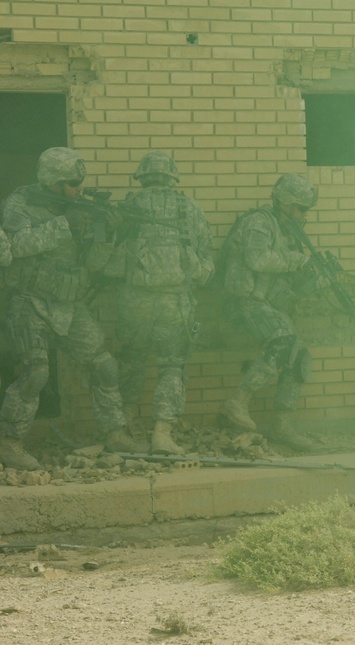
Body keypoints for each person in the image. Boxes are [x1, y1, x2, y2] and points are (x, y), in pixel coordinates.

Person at [0, 147, 136, 470]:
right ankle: (8, 443)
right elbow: (15, 246)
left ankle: (114, 432)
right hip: (29, 302)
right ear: (54, 182)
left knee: (105, 365)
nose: (80, 188)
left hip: (69, 305)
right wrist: (64, 225)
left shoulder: (79, 210)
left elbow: (92, 264)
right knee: (35, 374)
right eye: (74, 183)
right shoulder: (21, 203)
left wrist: (108, 235)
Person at [112, 151, 214, 455]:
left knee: (131, 361)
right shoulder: (190, 208)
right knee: (172, 365)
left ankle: (127, 427)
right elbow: (206, 255)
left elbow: (110, 259)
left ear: (142, 176)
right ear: (173, 177)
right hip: (177, 302)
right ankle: (162, 433)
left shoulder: (129, 207)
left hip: (136, 301)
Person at [216, 173, 322, 453]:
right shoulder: (259, 222)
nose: (301, 214)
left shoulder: (287, 229)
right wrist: (297, 261)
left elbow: (288, 276)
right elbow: (257, 258)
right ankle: (237, 401)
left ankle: (283, 427)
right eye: (298, 207)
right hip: (244, 302)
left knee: (298, 356)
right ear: (282, 202)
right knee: (283, 340)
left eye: (305, 209)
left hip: (268, 304)